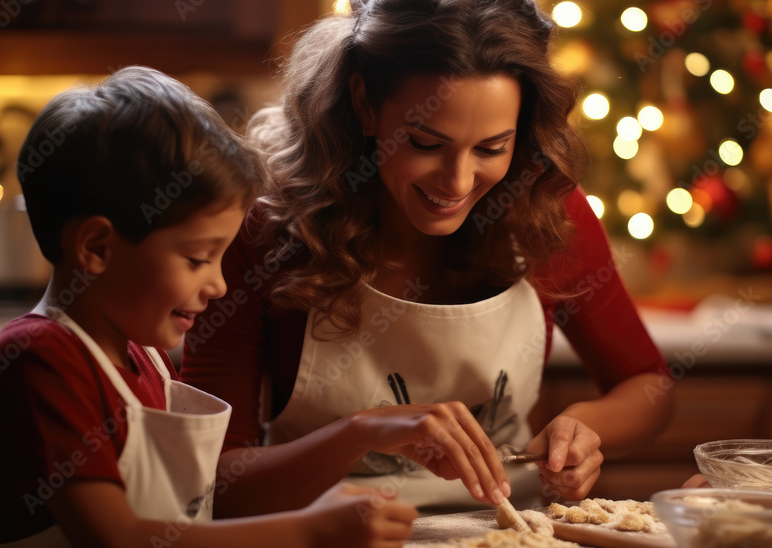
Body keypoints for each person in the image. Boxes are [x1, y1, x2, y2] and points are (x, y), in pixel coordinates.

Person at [181, 0, 673, 513]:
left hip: (509, 535)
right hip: (324, 538)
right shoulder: (263, 230)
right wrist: (361, 432)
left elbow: (649, 388)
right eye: (424, 142)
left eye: (491, 148)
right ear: (365, 104)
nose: (457, 183)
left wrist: (586, 428)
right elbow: (212, 479)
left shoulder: (545, 211)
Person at [0, 66, 416, 548]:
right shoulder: (41, 358)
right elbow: (122, 543)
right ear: (96, 247)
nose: (219, 284)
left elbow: (191, 523)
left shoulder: (146, 359)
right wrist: (307, 535)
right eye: (198, 258)